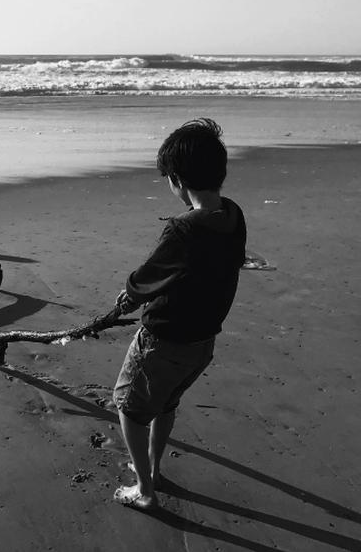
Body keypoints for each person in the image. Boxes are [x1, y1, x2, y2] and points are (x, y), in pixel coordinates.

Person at [111, 118, 246, 511]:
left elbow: (149, 276)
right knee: (166, 404)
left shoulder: (183, 230)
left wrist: (130, 295)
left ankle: (145, 490)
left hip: (162, 341)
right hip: (202, 342)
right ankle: (152, 468)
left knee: (131, 409)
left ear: (176, 180)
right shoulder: (233, 215)